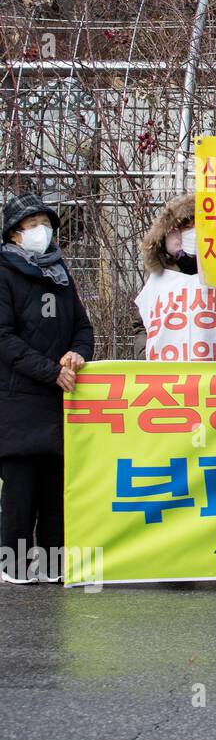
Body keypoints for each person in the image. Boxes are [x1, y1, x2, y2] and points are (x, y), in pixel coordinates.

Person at [0, 192, 94, 584]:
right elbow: (4, 338)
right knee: (21, 488)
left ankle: (56, 564)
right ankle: (15, 566)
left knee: (57, 488)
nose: (42, 231)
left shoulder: (59, 272)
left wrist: (76, 354)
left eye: (45, 224)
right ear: (14, 234)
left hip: (62, 399)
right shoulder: (4, 272)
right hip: (18, 397)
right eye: (32, 225)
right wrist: (47, 371)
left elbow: (83, 327)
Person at [134, 193, 216, 362]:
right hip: (168, 378)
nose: (193, 233)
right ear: (169, 234)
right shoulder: (157, 279)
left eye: (199, 226)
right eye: (187, 227)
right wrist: (144, 354)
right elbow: (142, 325)